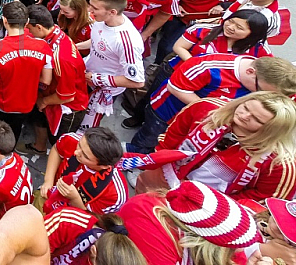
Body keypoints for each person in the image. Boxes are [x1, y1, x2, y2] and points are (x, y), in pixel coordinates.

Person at [136, 92, 296, 202]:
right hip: (164, 174)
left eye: (257, 119)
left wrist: (212, 205)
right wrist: (156, 161)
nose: (244, 116)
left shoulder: (280, 164)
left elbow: (261, 201)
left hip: (202, 206)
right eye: (246, 107)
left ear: (272, 130)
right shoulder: (207, 107)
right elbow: (174, 133)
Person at [128, 55, 296, 154]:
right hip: (167, 114)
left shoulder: (271, 76)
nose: (261, 96)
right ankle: (135, 157)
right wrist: (216, 110)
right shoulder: (208, 66)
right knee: (150, 138)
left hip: (202, 124)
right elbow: (175, 87)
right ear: (251, 72)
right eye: (259, 90)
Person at [0, 1, 52, 150]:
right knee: (13, 130)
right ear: (26, 22)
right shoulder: (43, 46)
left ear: (5, 20)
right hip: (24, 104)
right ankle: (3, 155)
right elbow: (46, 80)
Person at [119, 180, 263, 265]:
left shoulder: (170, 205)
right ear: (210, 245)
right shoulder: (157, 244)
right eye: (237, 246)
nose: (243, 250)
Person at [24, 5, 89, 153]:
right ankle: (39, 146)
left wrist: (44, 101)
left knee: (59, 142)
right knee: (39, 118)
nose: (29, 32)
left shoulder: (61, 58)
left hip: (68, 106)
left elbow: (67, 95)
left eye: (30, 28)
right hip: (50, 93)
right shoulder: (55, 33)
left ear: (39, 27)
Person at [80, 0, 144, 129]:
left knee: (85, 126)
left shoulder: (128, 42)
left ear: (112, 12)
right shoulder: (102, 20)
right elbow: (99, 41)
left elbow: (137, 81)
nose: (90, 10)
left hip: (101, 89)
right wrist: (75, 46)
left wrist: (96, 78)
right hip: (87, 77)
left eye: (94, 8)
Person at [40, 127, 128, 216]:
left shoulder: (115, 194)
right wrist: (48, 180)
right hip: (51, 194)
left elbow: (95, 220)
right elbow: (57, 149)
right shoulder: (72, 140)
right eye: (79, 145)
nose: (76, 152)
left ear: (104, 166)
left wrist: (75, 199)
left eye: (85, 156)